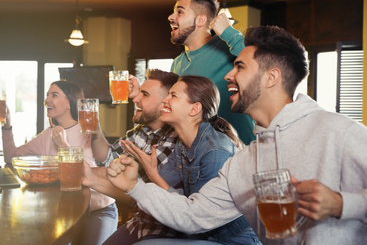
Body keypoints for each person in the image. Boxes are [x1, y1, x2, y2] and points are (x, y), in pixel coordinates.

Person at [106, 26, 367, 245]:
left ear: (271, 77)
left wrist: (341, 204)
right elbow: (193, 215)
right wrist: (134, 186)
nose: (229, 75)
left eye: (240, 67)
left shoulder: (338, 131)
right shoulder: (243, 163)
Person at [105, 75, 259, 245]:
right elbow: (175, 198)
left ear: (194, 109)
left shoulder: (216, 151)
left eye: (173, 95)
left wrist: (140, 181)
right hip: (201, 234)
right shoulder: (182, 144)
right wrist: (153, 173)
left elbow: (198, 217)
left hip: (231, 240)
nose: (165, 100)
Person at [1, 80, 118, 245]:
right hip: (65, 211)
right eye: (47, 95)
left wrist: (64, 146)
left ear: (70, 102)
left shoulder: (88, 131)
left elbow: (88, 174)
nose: (47, 99)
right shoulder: (47, 134)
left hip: (99, 211)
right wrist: (7, 125)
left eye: (54, 95)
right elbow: (11, 157)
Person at [83, 69, 180, 244]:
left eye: (144, 94)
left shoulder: (174, 141)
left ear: (165, 104)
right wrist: (96, 127)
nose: (134, 98)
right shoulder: (142, 132)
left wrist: (89, 178)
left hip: (165, 231)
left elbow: (140, 195)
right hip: (140, 223)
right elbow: (109, 160)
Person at [168, 0, 255, 145]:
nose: (171, 17)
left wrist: (229, 32)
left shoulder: (229, 48)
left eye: (180, 12)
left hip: (243, 154)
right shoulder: (177, 64)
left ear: (201, 20)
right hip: (200, 157)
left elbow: (263, 60)